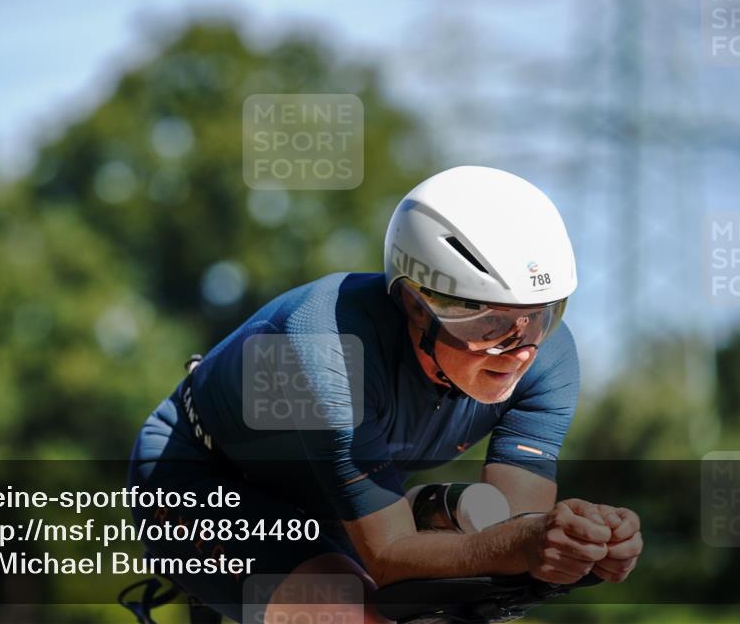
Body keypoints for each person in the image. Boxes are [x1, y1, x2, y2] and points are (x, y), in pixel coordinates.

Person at [127, 166, 643, 623]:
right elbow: (391, 558)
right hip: (204, 478)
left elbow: (517, 537)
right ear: (415, 304)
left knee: (482, 530)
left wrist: (581, 544)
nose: (520, 350)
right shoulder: (328, 348)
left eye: (543, 315)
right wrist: (524, 543)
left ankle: (431, 508)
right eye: (489, 323)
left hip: (332, 496)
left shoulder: (551, 357)